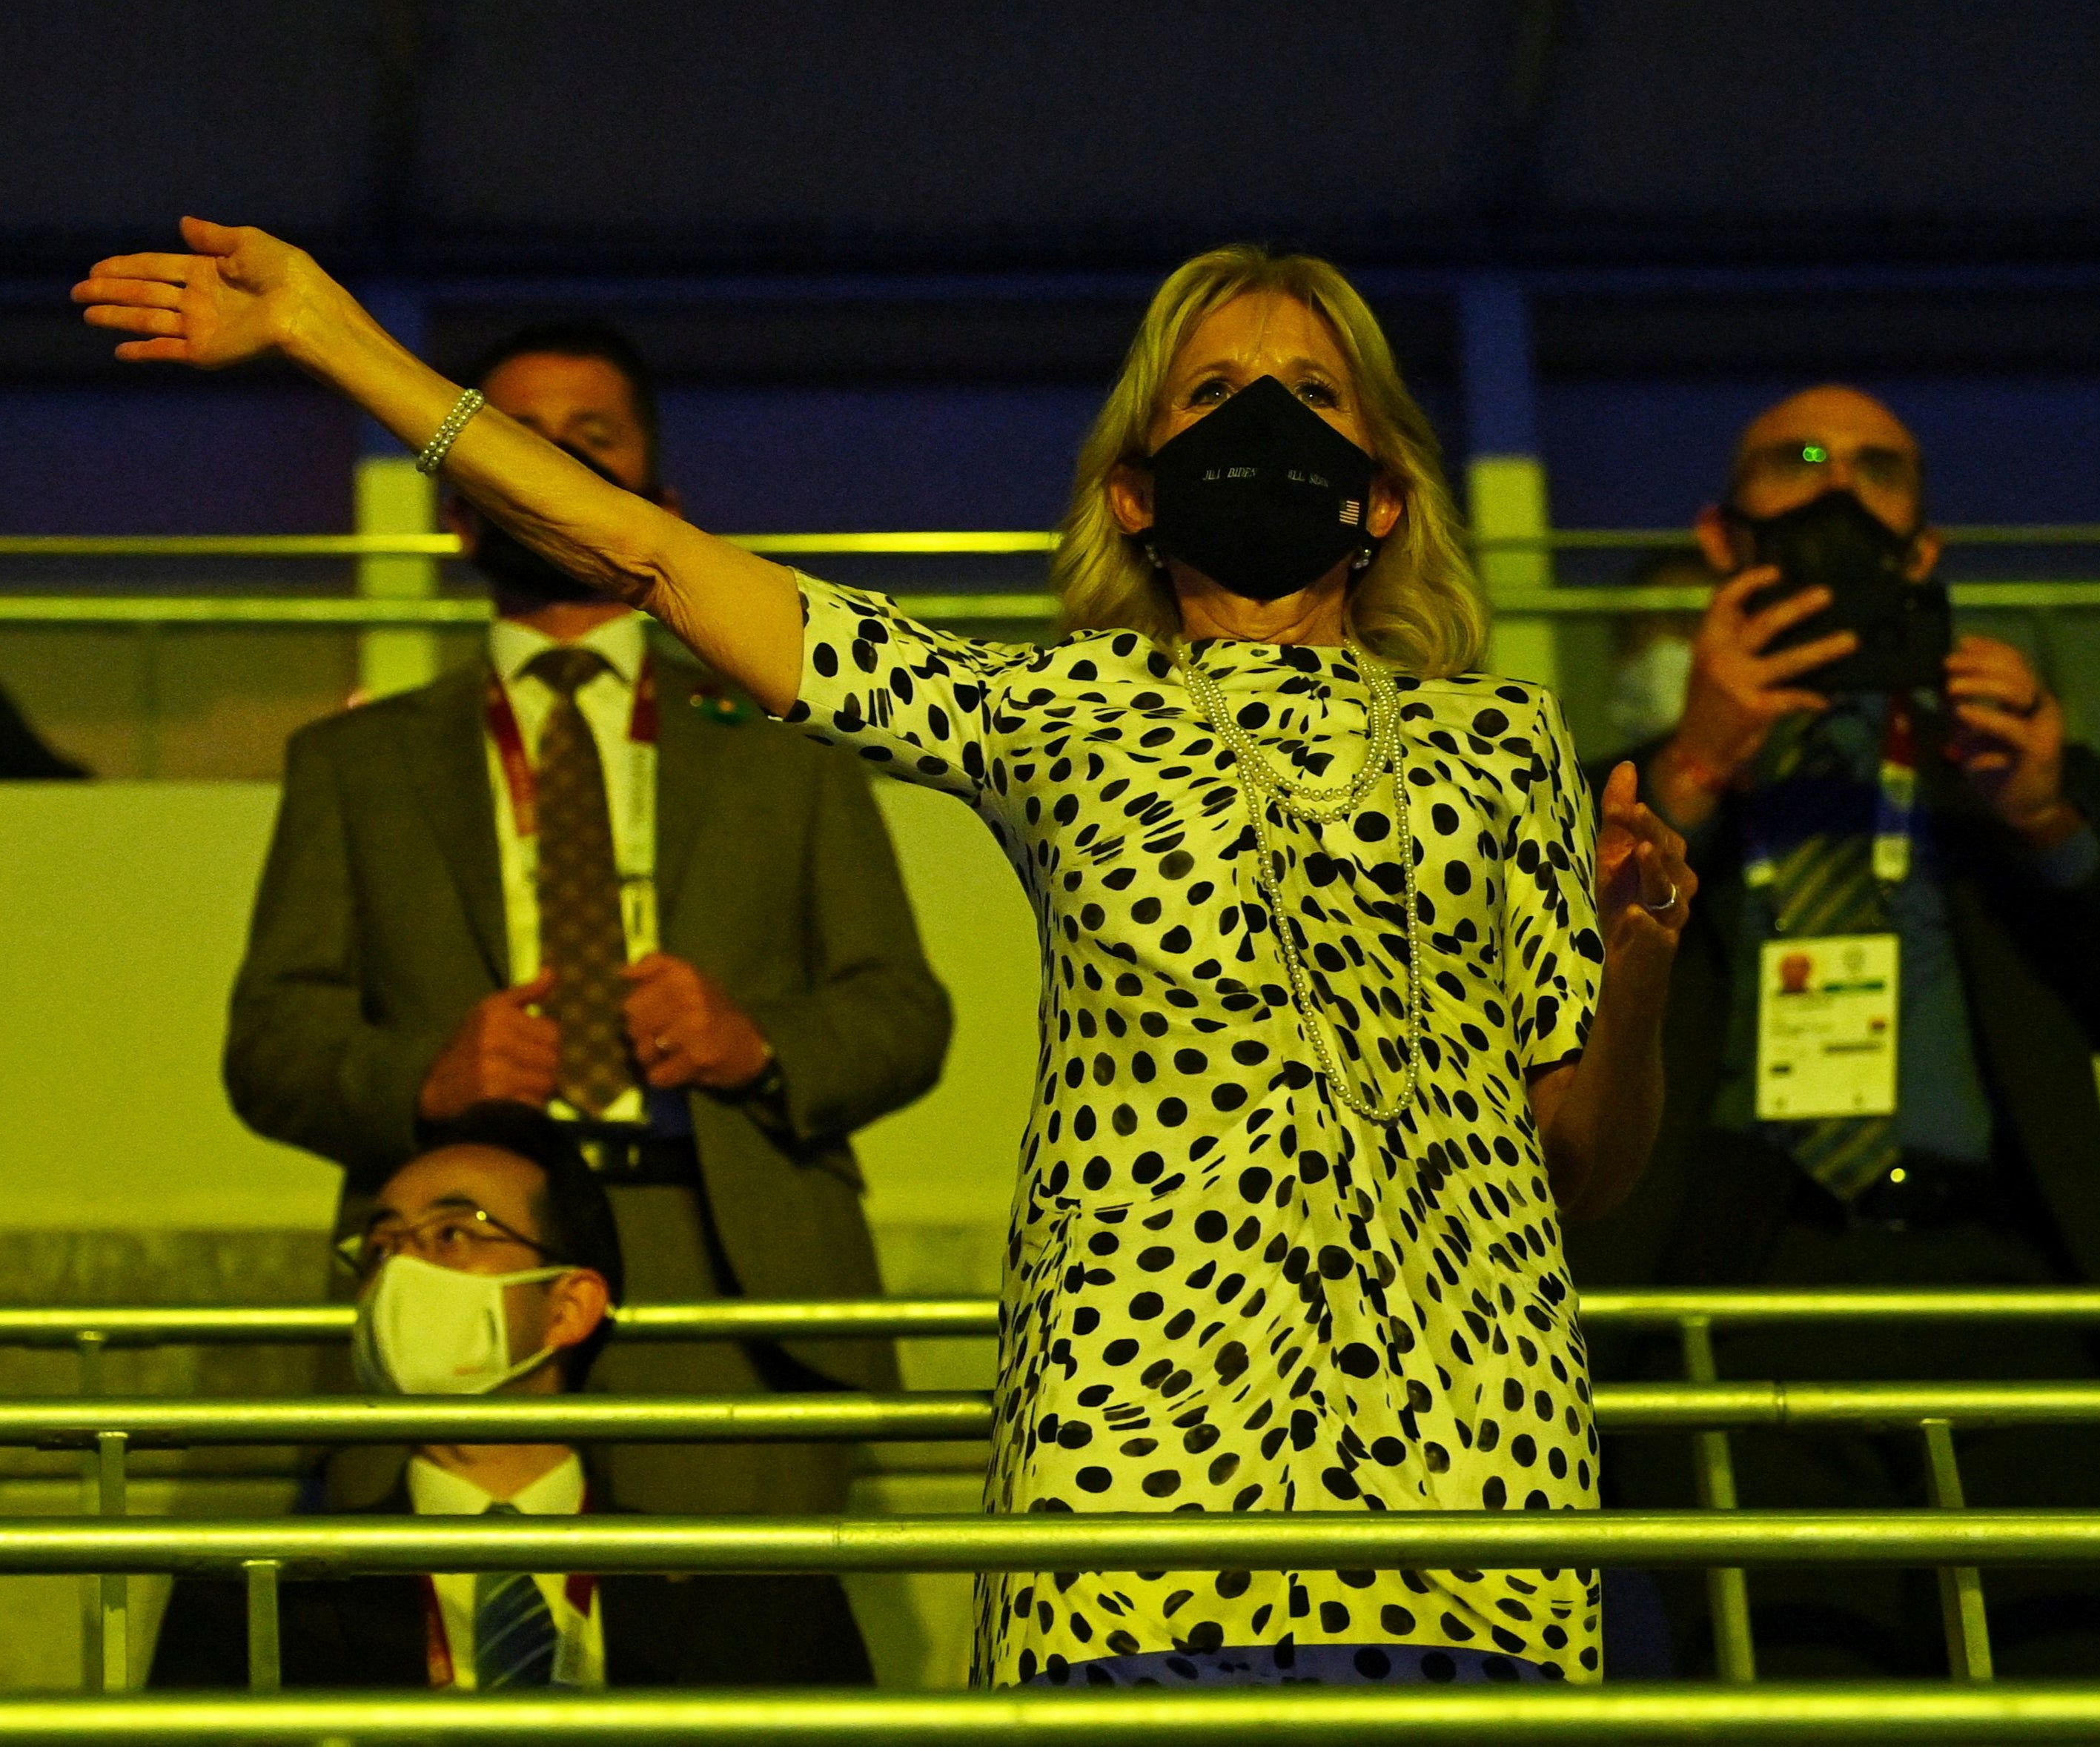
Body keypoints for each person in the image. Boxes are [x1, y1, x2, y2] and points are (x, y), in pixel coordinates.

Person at [79, 224, 1699, 1689]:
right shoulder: (1050, 706)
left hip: (1468, 1458)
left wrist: (1634, 962)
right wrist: (333, 339)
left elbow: (1577, 1162)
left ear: (1385, 487)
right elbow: (651, 555)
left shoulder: (1508, 743)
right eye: (1212, 389)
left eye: (1308, 390)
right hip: (1136, 1456)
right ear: (1135, 484)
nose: (1262, 416)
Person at [216, 316, 952, 1517]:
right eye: (518, 441)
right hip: (461, 1273)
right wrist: (426, 1078)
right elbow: (270, 1045)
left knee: (741, 1678)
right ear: (460, 506)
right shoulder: (354, 762)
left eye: (589, 440)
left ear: (656, 498)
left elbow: (903, 1011)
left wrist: (757, 1045)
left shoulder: (786, 746)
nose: (553, 465)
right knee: (452, 1668)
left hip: (734, 1274)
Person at [1574, 385, 2100, 1678]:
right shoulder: (1626, 789)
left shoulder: (2014, 764)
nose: (1838, 491)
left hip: (2007, 1300)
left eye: (1880, 471)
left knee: (2066, 1696)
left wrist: (2043, 820)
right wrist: (1695, 773)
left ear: (1924, 550)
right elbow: (1522, 1026)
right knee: (1792, 1696)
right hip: (1735, 1294)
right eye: (1799, 461)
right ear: (1724, 538)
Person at [148, 1104, 873, 1689]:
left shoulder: (761, 1598)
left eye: (454, 1233)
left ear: (568, 1306)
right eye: (380, 1246)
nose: (402, 1268)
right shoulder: (253, 1601)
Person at [1603, 547, 1712, 750]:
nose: (1674, 641)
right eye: (1648, 621)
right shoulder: (1590, 780)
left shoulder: (1771, 776)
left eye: (1696, 619)